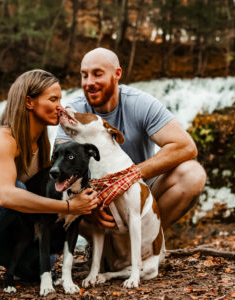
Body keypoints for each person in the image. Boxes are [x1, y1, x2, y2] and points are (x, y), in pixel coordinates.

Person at [0, 69, 99, 293]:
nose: (60, 106)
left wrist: (86, 206)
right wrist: (68, 206)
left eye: (60, 99)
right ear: (29, 102)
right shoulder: (3, 139)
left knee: (41, 264)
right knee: (15, 190)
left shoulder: (42, 146)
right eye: (53, 99)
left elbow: (45, 195)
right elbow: (6, 196)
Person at [56, 47, 207, 231]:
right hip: (95, 195)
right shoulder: (74, 113)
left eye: (97, 74)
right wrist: (85, 203)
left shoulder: (139, 103)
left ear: (117, 74)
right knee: (55, 189)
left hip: (140, 191)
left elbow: (186, 147)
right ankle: (102, 250)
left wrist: (129, 175)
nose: (89, 82)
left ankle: (149, 245)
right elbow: (59, 162)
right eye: (84, 75)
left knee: (193, 174)